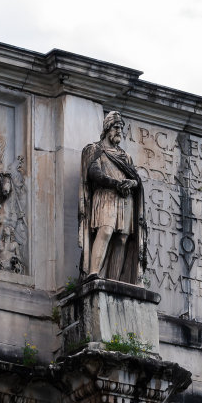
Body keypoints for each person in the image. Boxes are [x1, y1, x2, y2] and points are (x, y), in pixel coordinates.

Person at [78, 111, 146, 283]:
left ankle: (114, 279)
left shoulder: (126, 156)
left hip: (125, 199)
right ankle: (93, 272)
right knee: (106, 230)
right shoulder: (95, 150)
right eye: (116, 127)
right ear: (108, 128)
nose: (119, 132)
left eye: (121, 128)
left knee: (122, 238)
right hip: (106, 196)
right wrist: (116, 183)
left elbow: (136, 180)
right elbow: (94, 174)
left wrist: (132, 183)